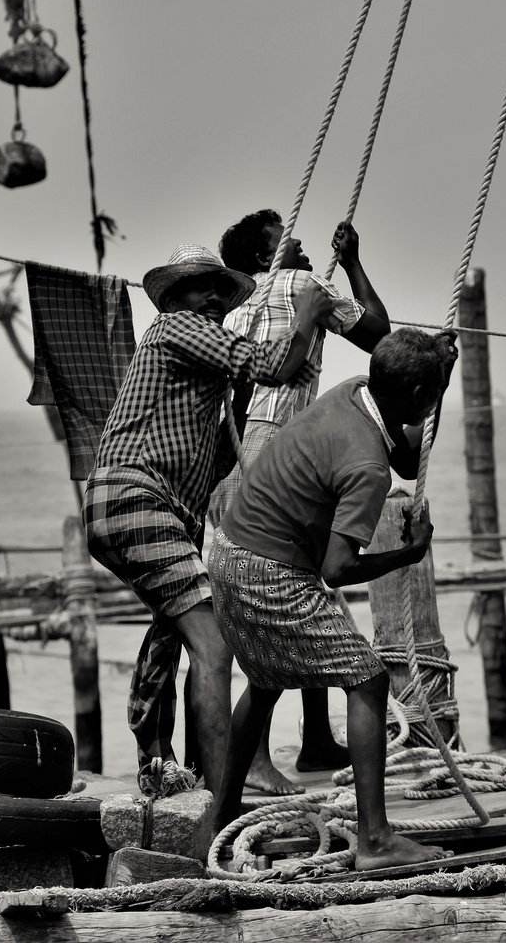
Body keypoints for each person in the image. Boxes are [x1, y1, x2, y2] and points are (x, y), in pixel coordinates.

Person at [83, 244, 335, 796]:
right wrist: (308, 315)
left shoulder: (205, 377)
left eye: (222, 288)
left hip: (139, 504)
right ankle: (222, 800)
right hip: (134, 496)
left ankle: (163, 766)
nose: (215, 297)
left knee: (175, 632)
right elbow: (270, 364)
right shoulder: (175, 326)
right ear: (174, 296)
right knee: (214, 643)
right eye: (203, 287)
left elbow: (226, 450)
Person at [208, 327, 456, 870]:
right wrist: (406, 555)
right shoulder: (366, 467)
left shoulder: (353, 391)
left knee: (267, 679)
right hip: (269, 571)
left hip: (228, 554)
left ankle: (219, 818)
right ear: (419, 399)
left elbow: (410, 458)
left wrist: (443, 372)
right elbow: (338, 569)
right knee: (366, 678)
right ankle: (375, 840)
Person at [207, 211, 391, 791]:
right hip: (274, 450)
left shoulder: (232, 311)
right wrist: (355, 261)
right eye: (291, 244)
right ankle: (259, 760)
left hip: (234, 459)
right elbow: (378, 335)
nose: (307, 251)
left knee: (296, 588)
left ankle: (313, 740)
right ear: (267, 259)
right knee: (295, 591)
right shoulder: (298, 286)